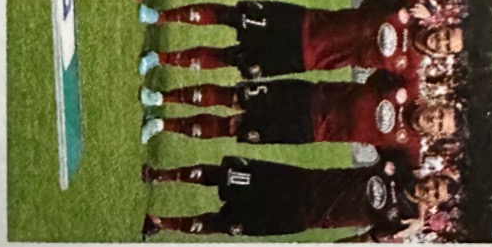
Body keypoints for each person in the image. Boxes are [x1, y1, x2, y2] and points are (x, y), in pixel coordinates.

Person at [136, 0, 464, 78]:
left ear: (442, 55)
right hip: (305, 21)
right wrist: (412, 3)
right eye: (445, 34)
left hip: (307, 59)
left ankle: (161, 59)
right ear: (441, 24)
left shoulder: (409, 70)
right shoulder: (404, 10)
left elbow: (377, 88)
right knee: (233, 17)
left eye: (445, 45)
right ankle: (160, 16)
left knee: (233, 59)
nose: (440, 40)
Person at [140, 150, 458, 240]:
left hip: (302, 217)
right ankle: (161, 175)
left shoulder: (403, 220)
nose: (430, 189)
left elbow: (367, 240)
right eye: (435, 183)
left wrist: (412, 228)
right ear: (432, 174)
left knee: (231, 224)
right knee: (230, 175)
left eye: (436, 194)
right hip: (298, 182)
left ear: (434, 204)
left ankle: (161, 224)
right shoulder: (399, 163)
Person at [139, 72, 455, 162]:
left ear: (437, 136)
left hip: (307, 130)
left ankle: (163, 125)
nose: (434, 119)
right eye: (440, 113)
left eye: (440, 126)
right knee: (237, 96)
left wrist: (417, 223)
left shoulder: (408, 147)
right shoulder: (409, 85)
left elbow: (413, 187)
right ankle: (162, 98)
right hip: (309, 95)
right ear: (437, 104)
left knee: (235, 126)